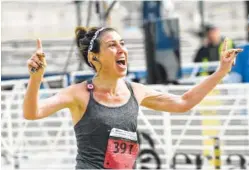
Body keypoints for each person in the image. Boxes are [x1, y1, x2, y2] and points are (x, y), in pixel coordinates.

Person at [23, 26, 242, 169]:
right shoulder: (79, 93)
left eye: (122, 44)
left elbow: (184, 102)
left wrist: (221, 72)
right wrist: (35, 79)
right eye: (112, 45)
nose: (121, 50)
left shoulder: (136, 91)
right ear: (94, 57)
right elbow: (32, 113)